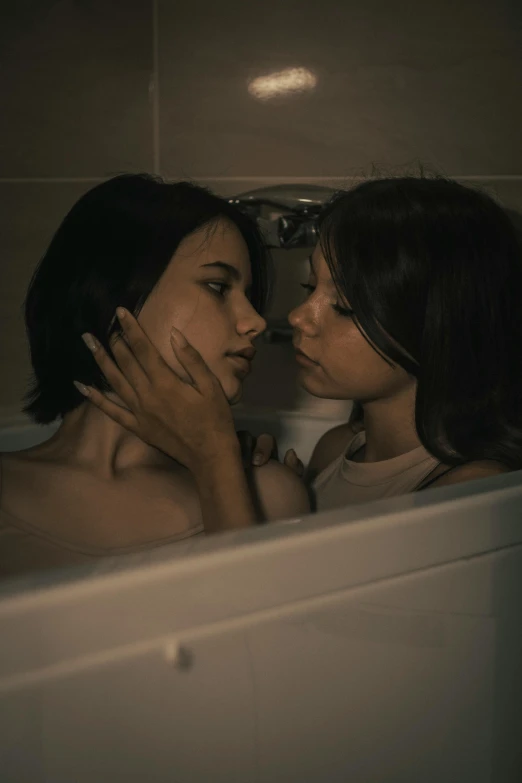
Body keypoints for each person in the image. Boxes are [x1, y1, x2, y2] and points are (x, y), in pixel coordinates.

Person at [78, 176, 522, 523]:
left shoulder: (473, 490)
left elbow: (261, 621)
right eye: (311, 287)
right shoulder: (335, 449)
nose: (297, 316)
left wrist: (214, 461)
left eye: (344, 306)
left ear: (440, 326)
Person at [0, 174, 310, 580]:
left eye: (250, 298)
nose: (254, 322)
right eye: (218, 286)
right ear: (114, 291)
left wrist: (217, 463)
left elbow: (257, 638)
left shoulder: (272, 494)